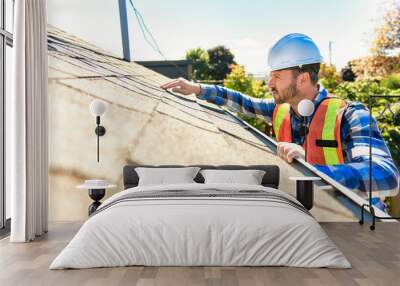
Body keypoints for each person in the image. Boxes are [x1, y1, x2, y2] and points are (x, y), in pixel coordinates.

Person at [161, 33, 399, 198]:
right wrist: (198, 89)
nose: (269, 83)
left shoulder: (351, 116)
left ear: (303, 78)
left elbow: (386, 175)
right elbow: (243, 102)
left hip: (356, 221)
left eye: (276, 76)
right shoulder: (282, 110)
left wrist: (312, 171)